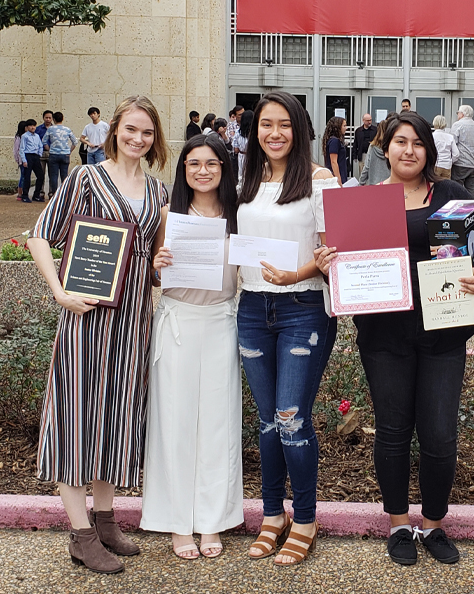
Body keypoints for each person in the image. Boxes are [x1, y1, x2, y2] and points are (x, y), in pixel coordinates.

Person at [314, 112, 474, 567]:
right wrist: (330, 266)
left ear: (429, 149)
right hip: (385, 336)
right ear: (385, 147)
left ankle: (435, 523)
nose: (409, 150)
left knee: (440, 435)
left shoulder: (452, 195)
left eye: (417, 143)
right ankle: (399, 523)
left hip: (444, 332)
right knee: (394, 432)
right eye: (400, 142)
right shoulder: (364, 201)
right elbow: (345, 265)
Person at [27, 95, 170, 575]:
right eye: (131, 129)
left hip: (132, 326)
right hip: (86, 321)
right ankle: (81, 535)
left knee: (114, 419)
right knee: (76, 419)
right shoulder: (87, 178)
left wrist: (158, 264)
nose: (138, 139)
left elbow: (149, 262)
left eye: (147, 132)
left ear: (156, 139)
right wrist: (59, 291)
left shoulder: (157, 191)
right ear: (114, 130)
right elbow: (41, 234)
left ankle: (106, 521)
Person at [237, 91, 338, 566]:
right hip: (253, 310)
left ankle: (305, 519)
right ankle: (272, 515)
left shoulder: (320, 181)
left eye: (284, 124)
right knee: (266, 422)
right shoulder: (246, 178)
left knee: (291, 418)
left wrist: (297, 274)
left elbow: (334, 256)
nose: (274, 133)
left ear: (300, 129)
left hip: (303, 310)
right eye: (265, 124)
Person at [141, 134, 242, 560]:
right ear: (183, 169)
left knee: (219, 424)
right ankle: (176, 522)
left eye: (212, 163)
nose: (203, 170)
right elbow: (148, 275)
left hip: (222, 322)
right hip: (178, 321)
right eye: (194, 163)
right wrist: (155, 266)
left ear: (224, 167)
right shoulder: (169, 214)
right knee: (175, 423)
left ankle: (212, 521)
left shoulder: (238, 215)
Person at [42, 112, 79, 196]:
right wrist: (69, 151)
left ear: (53, 119)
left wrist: (49, 149)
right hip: (65, 154)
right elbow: (75, 142)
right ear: (62, 119)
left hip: (53, 154)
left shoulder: (50, 129)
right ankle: (65, 194)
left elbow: (44, 141)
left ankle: (54, 194)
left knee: (53, 176)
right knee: (64, 175)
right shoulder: (67, 129)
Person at [451, 105, 474, 197]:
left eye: (458, 113)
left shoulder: (457, 125)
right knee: (471, 192)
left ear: (462, 114)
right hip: (473, 164)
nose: (458, 115)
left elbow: (453, 144)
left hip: (459, 164)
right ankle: (472, 211)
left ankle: (458, 211)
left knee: (456, 191)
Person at [19, 119, 45, 203]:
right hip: (28, 155)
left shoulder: (37, 136)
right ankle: (25, 195)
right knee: (27, 177)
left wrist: (39, 154)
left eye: (34, 125)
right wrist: (24, 160)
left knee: (40, 176)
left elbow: (40, 145)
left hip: (36, 156)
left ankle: (36, 195)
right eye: (31, 126)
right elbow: (21, 149)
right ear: (27, 127)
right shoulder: (25, 136)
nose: (33, 127)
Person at [358, 117, 390, 186]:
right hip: (389, 183)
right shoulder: (391, 148)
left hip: (374, 183)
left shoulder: (372, 146)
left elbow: (366, 167)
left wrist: (361, 183)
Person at [431, 115, 459, 179]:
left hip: (435, 165)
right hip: (446, 166)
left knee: (434, 186)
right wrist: (450, 162)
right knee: (446, 187)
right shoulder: (450, 137)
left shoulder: (431, 136)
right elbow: (456, 154)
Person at [322, 116, 348, 185]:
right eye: (344, 126)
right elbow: (333, 162)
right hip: (337, 175)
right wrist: (338, 179)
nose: (346, 128)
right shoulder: (334, 141)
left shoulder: (335, 140)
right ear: (338, 127)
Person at [233, 109, 254, 181]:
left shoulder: (238, 132)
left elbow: (236, 149)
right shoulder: (256, 133)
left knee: (242, 176)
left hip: (242, 155)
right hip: (254, 156)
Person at [13, 121, 26, 201]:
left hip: (26, 159)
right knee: (23, 176)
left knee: (25, 176)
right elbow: (15, 150)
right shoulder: (18, 137)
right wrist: (18, 160)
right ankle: (20, 193)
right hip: (21, 160)